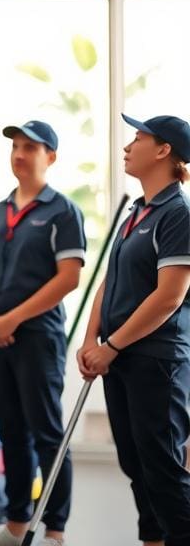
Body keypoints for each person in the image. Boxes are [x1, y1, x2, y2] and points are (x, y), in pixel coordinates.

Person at [0, 121, 86, 546]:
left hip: (37, 336)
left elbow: (68, 278)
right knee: (10, 430)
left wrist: (12, 318)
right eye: (15, 146)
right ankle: (17, 523)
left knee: (47, 432)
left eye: (30, 147)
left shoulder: (62, 211)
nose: (19, 153)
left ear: (49, 157)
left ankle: (54, 530)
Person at [78, 114, 190, 546]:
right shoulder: (136, 211)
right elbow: (110, 279)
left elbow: (169, 297)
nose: (128, 146)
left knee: (162, 469)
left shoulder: (177, 214)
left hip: (156, 359)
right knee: (136, 465)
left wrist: (112, 346)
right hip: (120, 356)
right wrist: (92, 339)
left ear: (163, 150)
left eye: (138, 138)